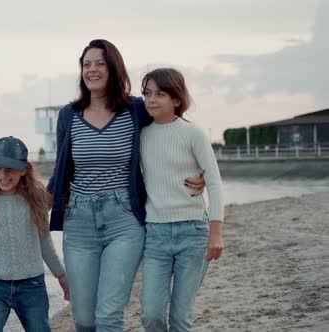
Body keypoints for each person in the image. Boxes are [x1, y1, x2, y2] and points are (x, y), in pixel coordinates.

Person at [46, 39, 205, 331]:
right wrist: (30, 203)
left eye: (100, 63)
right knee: (83, 320)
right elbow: (60, 169)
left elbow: (175, 127)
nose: (92, 70)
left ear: (114, 68)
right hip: (78, 222)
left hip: (124, 220)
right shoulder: (68, 116)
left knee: (109, 316)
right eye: (86, 64)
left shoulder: (136, 109)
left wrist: (201, 171)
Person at [139, 68, 224, 332]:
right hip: (155, 234)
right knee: (151, 314)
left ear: (176, 99)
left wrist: (216, 233)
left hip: (193, 232)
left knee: (180, 317)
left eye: (160, 94)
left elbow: (214, 182)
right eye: (147, 93)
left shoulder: (194, 134)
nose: (151, 99)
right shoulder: (140, 136)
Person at [0, 136, 69, 332]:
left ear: (24, 169)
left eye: (9, 169)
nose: (2, 175)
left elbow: (45, 243)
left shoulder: (36, 198)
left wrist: (61, 275)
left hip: (32, 285)